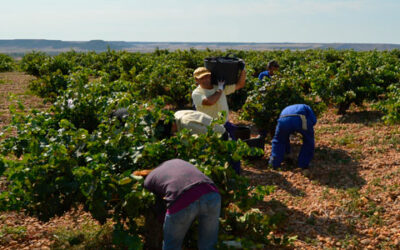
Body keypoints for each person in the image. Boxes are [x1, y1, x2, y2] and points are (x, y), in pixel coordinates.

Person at [134, 159, 221, 250]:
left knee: (172, 246)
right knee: (208, 245)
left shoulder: (148, 181)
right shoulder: (173, 162)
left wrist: (164, 221)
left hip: (183, 198)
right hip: (211, 193)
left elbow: (159, 206)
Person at [191, 67, 246, 140]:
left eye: (207, 77)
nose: (206, 79)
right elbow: (210, 102)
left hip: (224, 124)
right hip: (209, 128)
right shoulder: (197, 93)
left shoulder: (218, 86)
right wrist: (220, 89)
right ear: (196, 80)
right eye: (202, 78)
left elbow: (239, 85)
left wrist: (243, 70)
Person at [269, 104, 317, 169]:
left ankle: (274, 163)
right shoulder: (306, 107)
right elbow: (313, 120)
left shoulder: (286, 108)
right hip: (300, 119)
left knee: (279, 140)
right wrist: (308, 129)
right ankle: (303, 164)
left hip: (283, 120)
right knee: (308, 141)